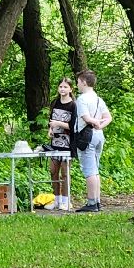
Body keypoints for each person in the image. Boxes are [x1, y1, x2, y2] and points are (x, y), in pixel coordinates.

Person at [72, 70, 112, 213]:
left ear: (84, 82)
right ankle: (97, 200)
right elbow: (108, 117)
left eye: (78, 82)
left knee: (89, 170)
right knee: (95, 169)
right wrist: (100, 125)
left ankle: (91, 202)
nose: (77, 85)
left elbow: (86, 118)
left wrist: (94, 122)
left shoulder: (82, 99)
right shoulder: (98, 99)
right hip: (98, 135)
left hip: (86, 136)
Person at [43, 77, 77, 211]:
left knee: (65, 173)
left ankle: (66, 200)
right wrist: (50, 130)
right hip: (55, 142)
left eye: (65, 87)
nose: (62, 89)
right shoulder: (55, 102)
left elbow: (73, 125)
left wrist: (58, 124)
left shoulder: (73, 105)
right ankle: (56, 199)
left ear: (70, 89)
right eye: (60, 87)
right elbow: (51, 120)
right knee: (53, 171)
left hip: (67, 143)